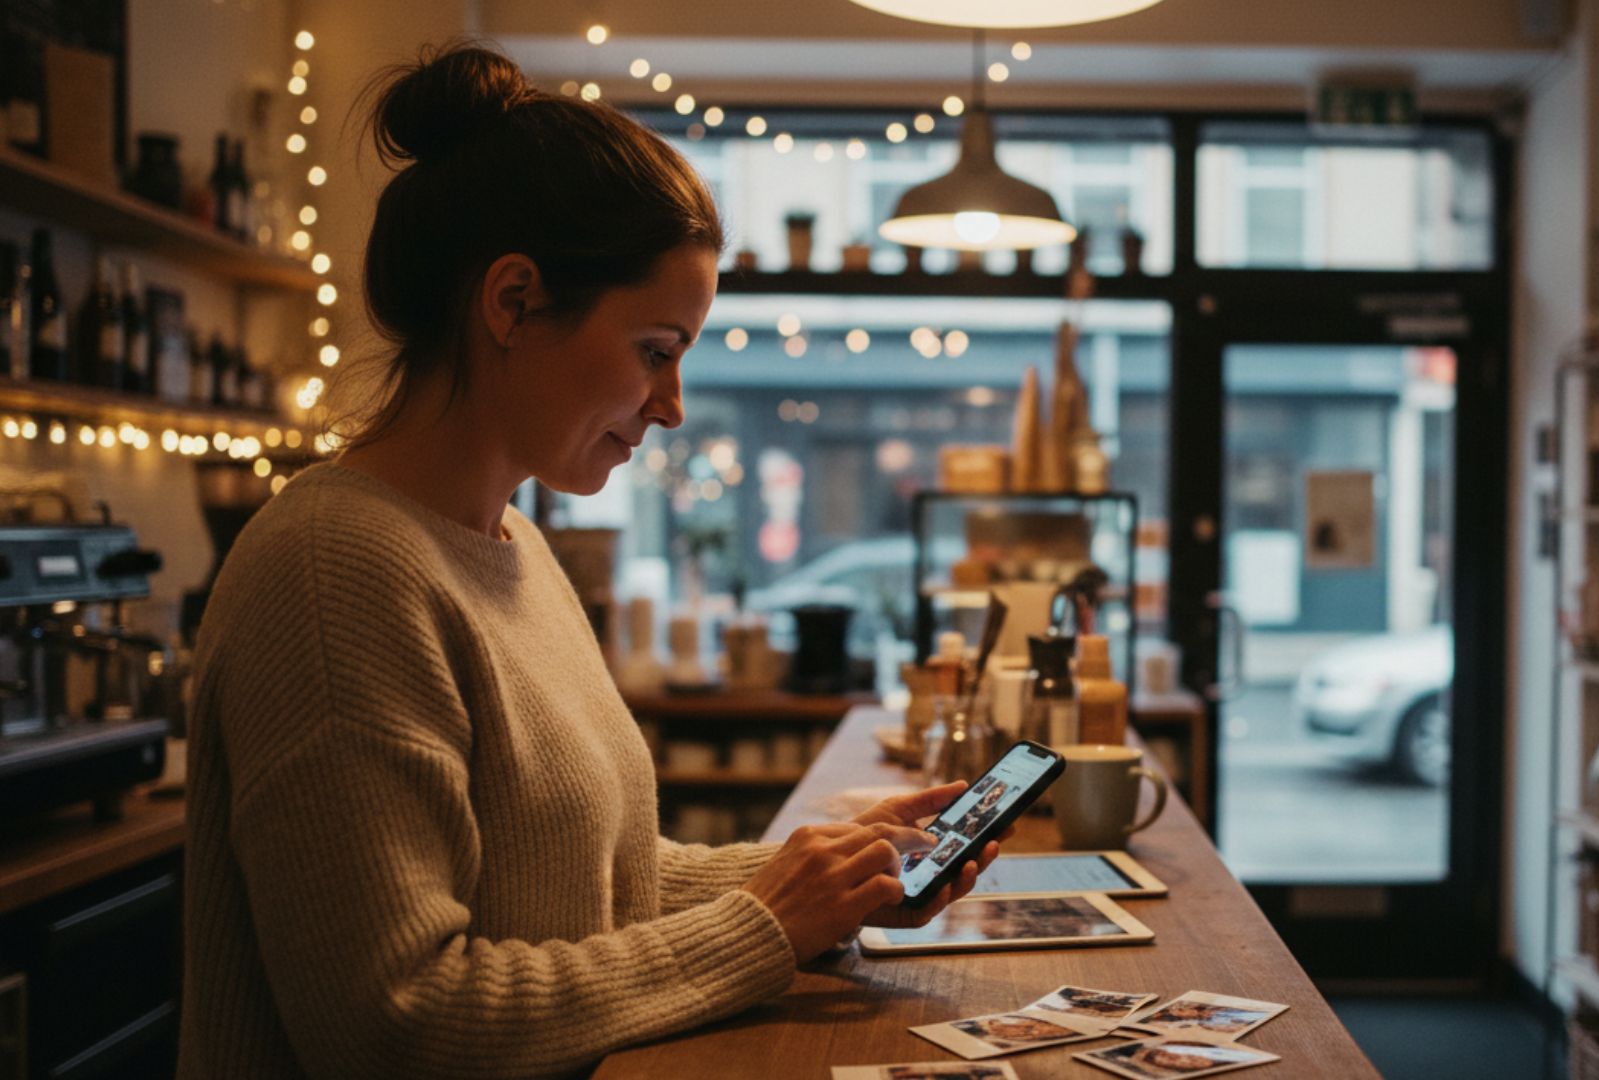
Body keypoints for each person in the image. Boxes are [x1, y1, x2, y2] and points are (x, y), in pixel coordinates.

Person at [178, 43, 995, 1079]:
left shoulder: (512, 546)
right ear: (513, 302)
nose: (674, 404)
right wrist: (764, 927)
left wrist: (820, 879)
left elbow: (583, 874)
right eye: (657, 349)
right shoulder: (333, 572)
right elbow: (397, 1019)